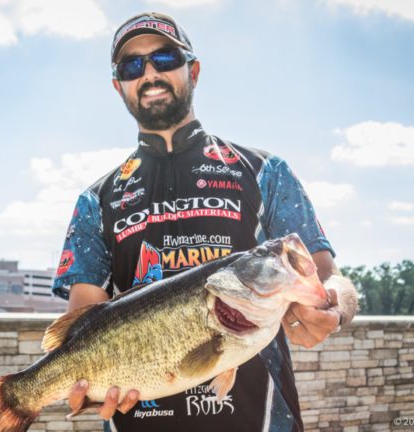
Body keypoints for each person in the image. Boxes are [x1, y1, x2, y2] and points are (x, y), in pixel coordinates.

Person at [51, 12, 358, 432]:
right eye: (132, 65)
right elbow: (82, 322)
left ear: (192, 70)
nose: (150, 72)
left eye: (165, 57)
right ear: (118, 85)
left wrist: (335, 309)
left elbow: (332, 279)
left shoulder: (264, 171)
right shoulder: (96, 200)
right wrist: (85, 388)